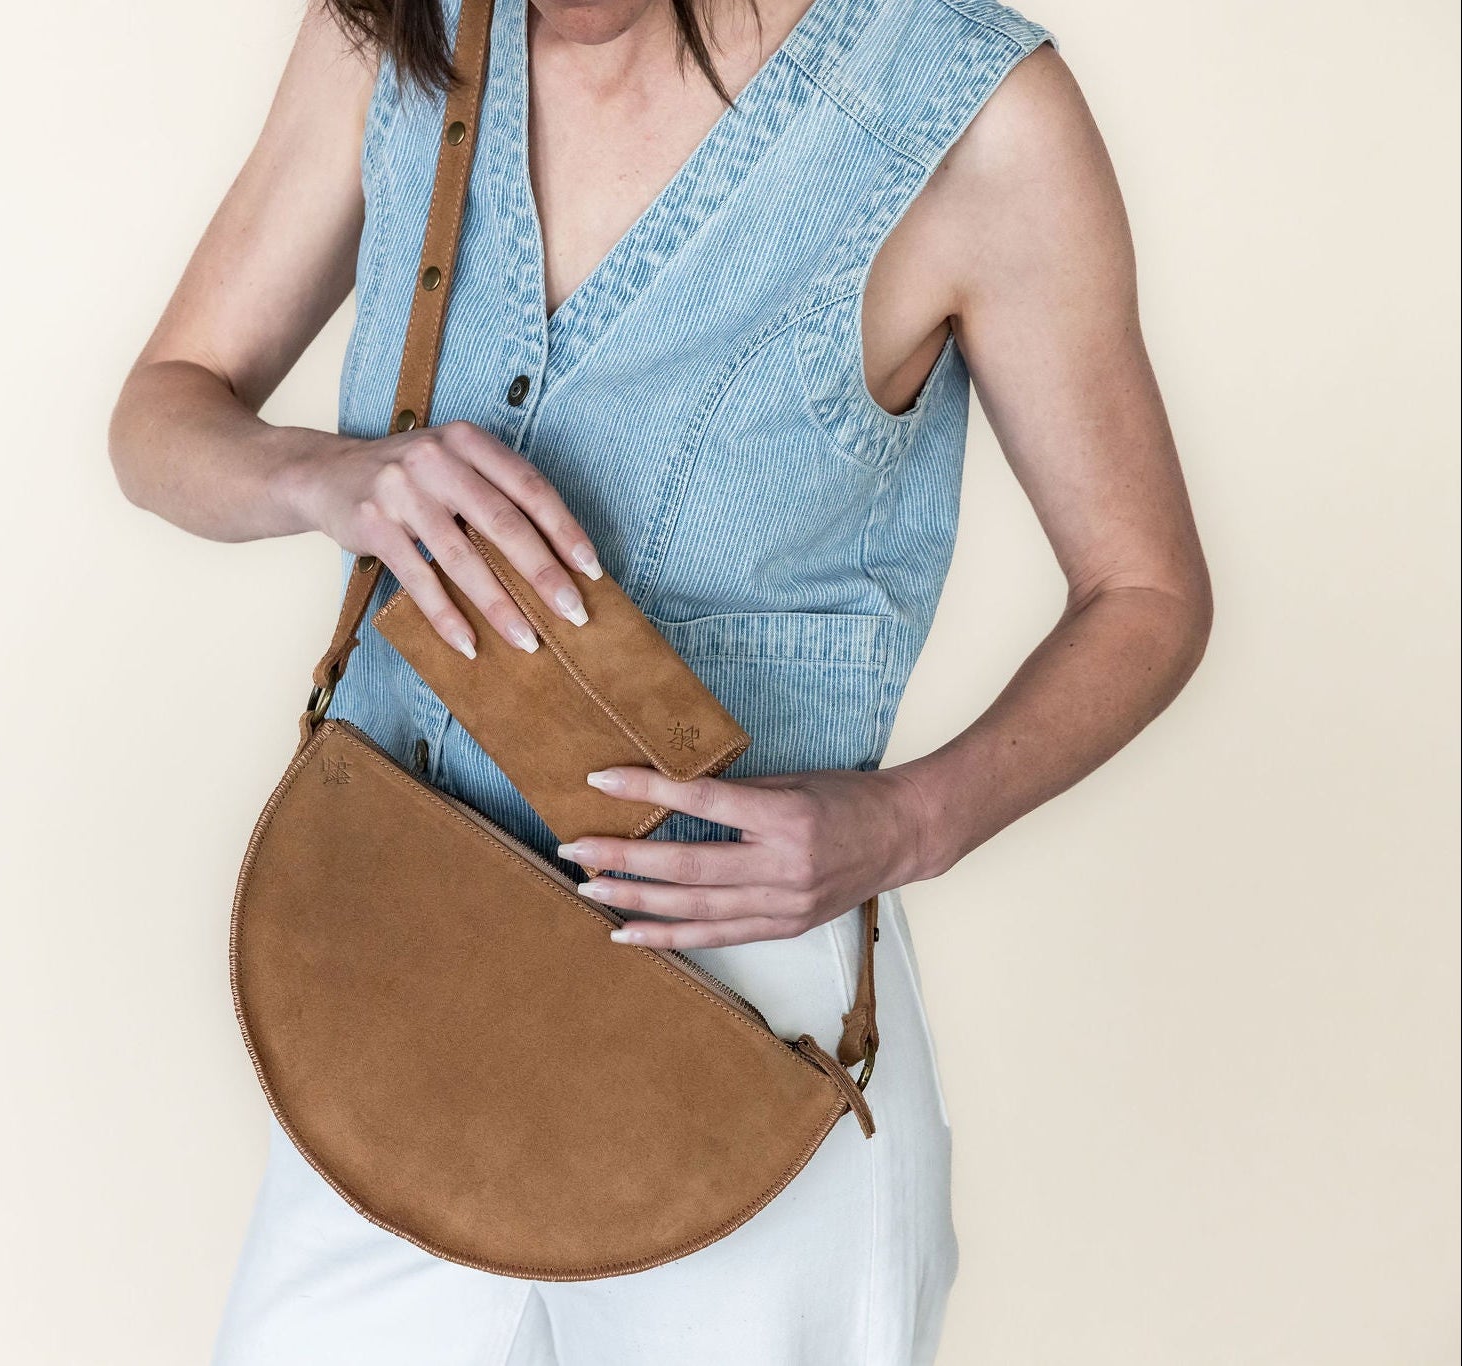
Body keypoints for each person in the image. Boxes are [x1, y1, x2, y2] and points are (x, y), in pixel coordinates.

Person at [107, 0, 1211, 1356]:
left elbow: (1146, 593)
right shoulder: (399, 34)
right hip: (397, 995)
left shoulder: (971, 116)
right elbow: (165, 405)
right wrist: (328, 477)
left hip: (741, 1026)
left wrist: (908, 823)